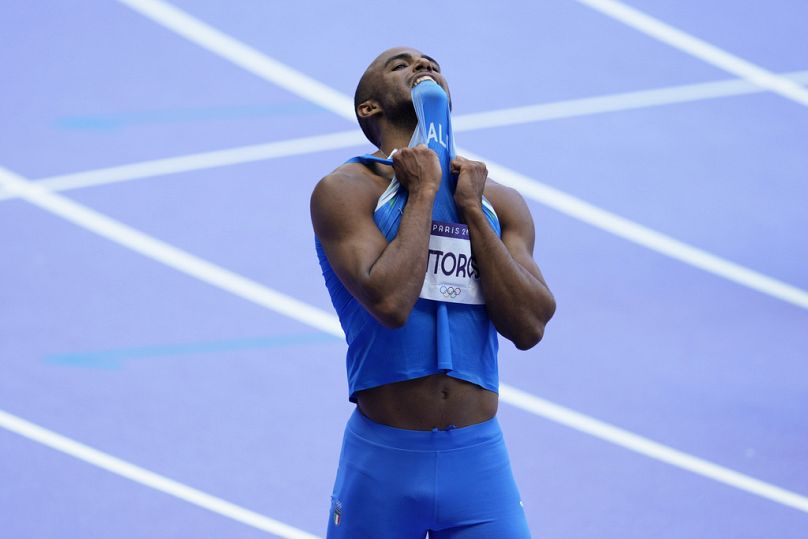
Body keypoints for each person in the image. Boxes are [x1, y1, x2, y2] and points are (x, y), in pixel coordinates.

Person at [310, 46, 556, 539]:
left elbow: (530, 325)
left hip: (479, 461)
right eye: (399, 65)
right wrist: (422, 192)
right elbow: (389, 302)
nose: (423, 66)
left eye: (431, 63)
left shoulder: (497, 202)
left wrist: (470, 212)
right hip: (385, 462)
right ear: (369, 108)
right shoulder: (344, 191)